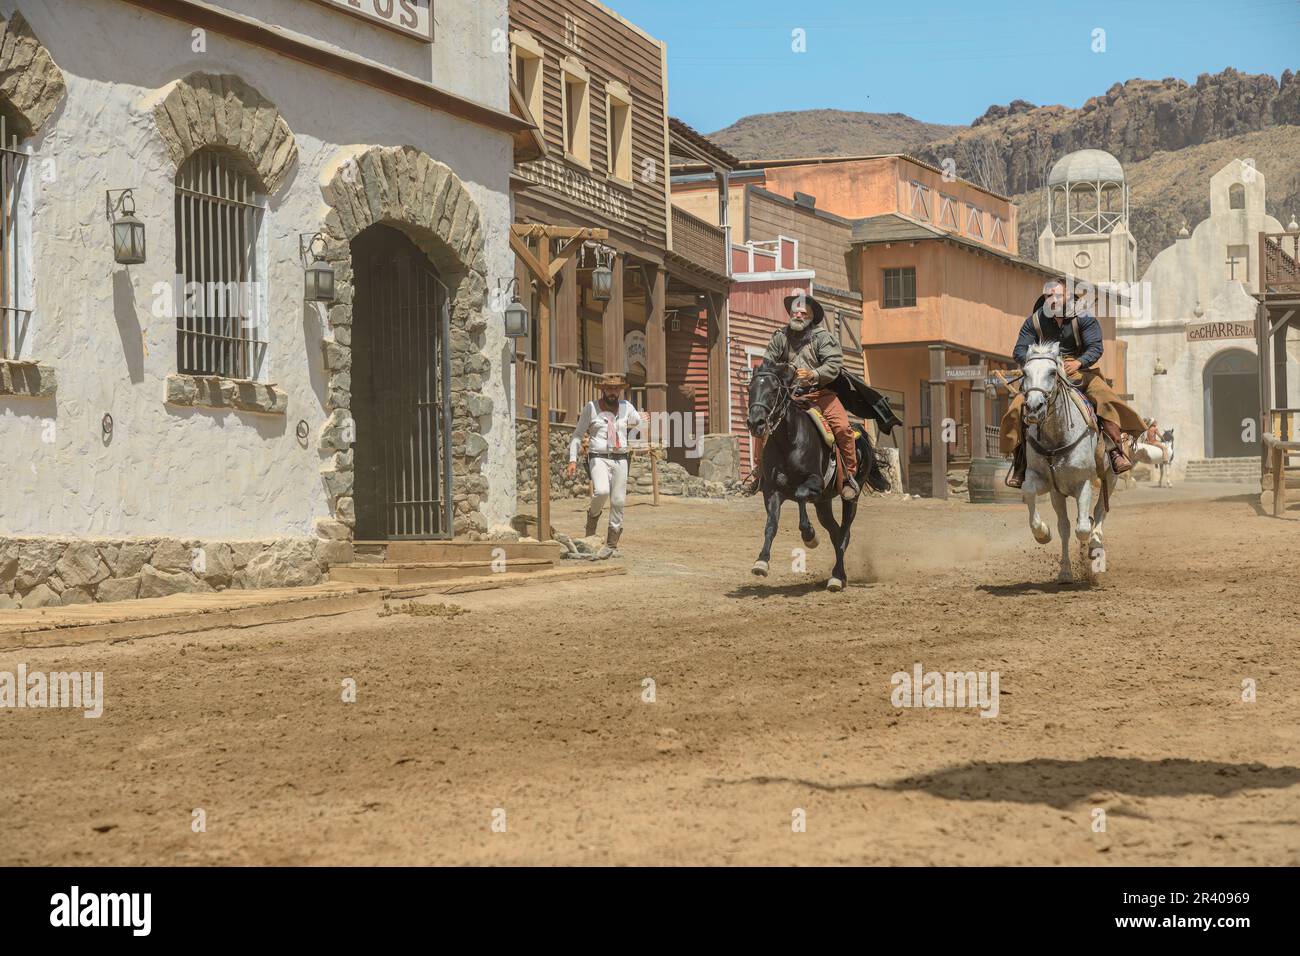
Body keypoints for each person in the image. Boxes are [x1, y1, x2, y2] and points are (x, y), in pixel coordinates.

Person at [1001, 278, 1146, 488]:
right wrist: (1037, 362)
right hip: (1046, 373)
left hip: (1079, 372)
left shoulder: (1084, 317)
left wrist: (1079, 362)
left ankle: (1114, 450)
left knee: (1106, 399)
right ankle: (1020, 462)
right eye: (1048, 296)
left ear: (1067, 297)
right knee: (1017, 407)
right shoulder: (1034, 321)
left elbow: (1095, 347)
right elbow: (1019, 350)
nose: (1052, 300)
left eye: (1057, 295)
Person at [742, 292, 860, 500]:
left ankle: (849, 476)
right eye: (795, 311)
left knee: (842, 428)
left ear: (811, 317)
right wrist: (781, 371)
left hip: (820, 394)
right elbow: (768, 362)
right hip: (790, 396)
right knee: (762, 423)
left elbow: (834, 365)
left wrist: (813, 374)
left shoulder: (823, 338)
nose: (798, 314)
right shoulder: (780, 336)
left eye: (803, 312)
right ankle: (759, 472)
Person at [567, 372, 643, 549]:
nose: (612, 392)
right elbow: (578, 435)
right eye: (609, 388)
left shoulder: (627, 407)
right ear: (603, 390)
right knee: (601, 491)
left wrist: (640, 420)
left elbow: (638, 421)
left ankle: (612, 544)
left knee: (618, 501)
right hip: (598, 456)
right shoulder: (591, 408)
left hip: (621, 457)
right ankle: (592, 521)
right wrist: (572, 459)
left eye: (616, 389)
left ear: (620, 391)